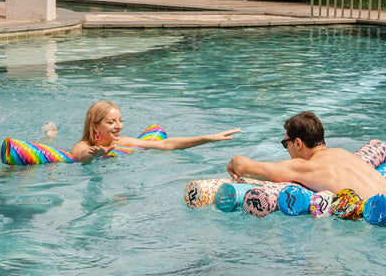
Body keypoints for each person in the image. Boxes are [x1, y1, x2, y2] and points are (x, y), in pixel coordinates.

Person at [226, 111, 386, 200]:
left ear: (297, 143)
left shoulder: (307, 166)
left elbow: (245, 168)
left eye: (285, 143)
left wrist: (234, 160)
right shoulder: (343, 154)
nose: (287, 150)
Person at [72, 101, 241, 163]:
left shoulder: (121, 142)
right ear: (95, 126)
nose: (119, 126)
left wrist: (207, 138)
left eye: (120, 120)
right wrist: (94, 155)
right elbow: (82, 155)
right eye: (111, 122)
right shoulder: (83, 145)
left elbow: (165, 144)